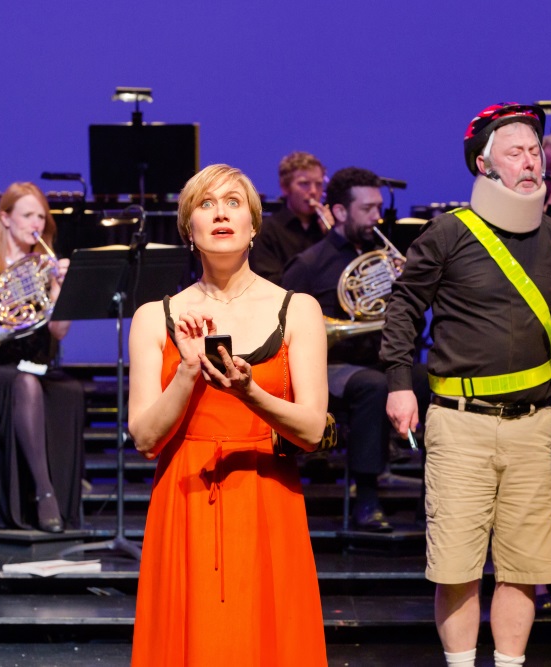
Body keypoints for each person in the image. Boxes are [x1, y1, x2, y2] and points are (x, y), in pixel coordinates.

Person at [380, 103, 551, 667]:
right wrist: (399, 381)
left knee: (526, 566)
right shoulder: (449, 233)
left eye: (535, 151)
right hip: (459, 422)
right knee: (457, 566)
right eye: (515, 151)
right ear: (484, 165)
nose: (530, 161)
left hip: (533, 425)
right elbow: (404, 306)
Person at [128, 164, 329, 665]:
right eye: (206, 204)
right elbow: (145, 437)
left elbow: (310, 430)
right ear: (188, 229)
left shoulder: (297, 309)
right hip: (186, 499)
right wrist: (188, 370)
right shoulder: (156, 316)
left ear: (254, 225)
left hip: (267, 497)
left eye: (234, 203)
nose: (221, 213)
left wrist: (249, 392)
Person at [0, 182, 84, 533]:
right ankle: (43, 494)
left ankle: (66, 501)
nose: (36, 223)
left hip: (36, 368)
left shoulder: (44, 267)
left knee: (71, 392)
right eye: (27, 215)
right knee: (24, 385)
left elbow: (58, 332)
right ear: (5, 218)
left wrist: (60, 289)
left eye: (41, 216)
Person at [282, 166, 394, 532]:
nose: (377, 216)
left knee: (439, 379)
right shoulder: (310, 264)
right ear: (341, 212)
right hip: (331, 366)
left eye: (379, 207)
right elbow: (284, 325)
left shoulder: (387, 258)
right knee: (373, 387)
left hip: (382, 358)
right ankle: (367, 499)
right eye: (367, 208)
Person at [250, 151, 333, 284]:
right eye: (304, 184)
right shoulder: (267, 230)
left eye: (318, 184)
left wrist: (332, 236)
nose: (313, 191)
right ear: (285, 188)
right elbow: (268, 282)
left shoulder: (328, 229)